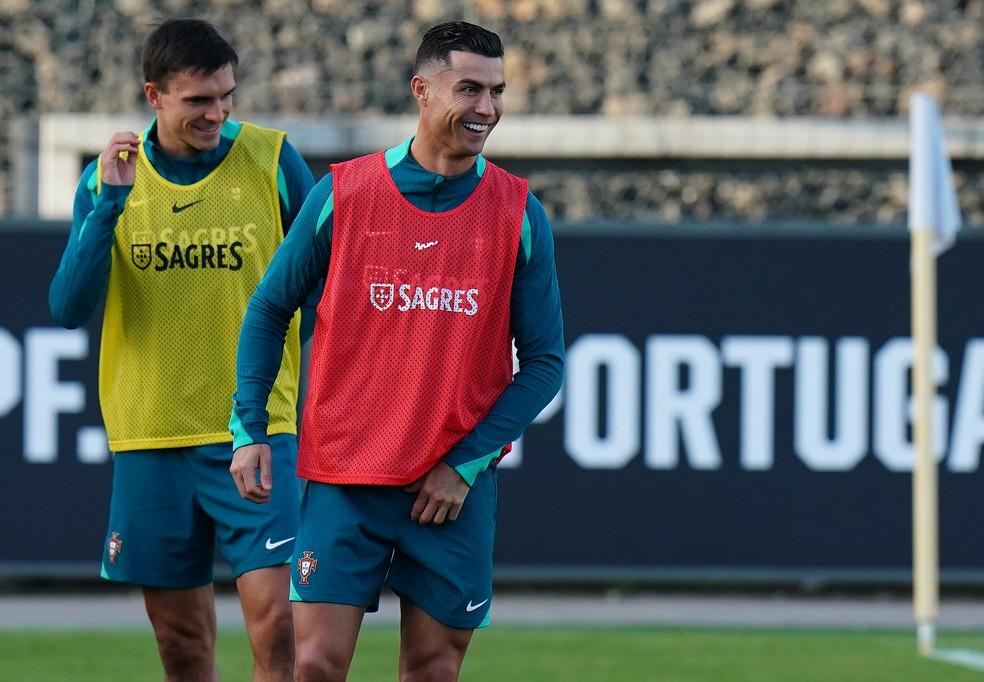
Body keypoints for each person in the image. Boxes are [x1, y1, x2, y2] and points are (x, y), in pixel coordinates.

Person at [229, 20, 565, 682]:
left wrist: (465, 464)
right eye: (470, 89)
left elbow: (546, 362)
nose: (487, 109)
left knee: (433, 670)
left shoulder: (518, 213)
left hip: (447, 493)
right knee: (316, 664)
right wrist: (250, 424)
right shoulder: (344, 194)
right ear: (422, 89)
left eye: (497, 92)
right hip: (343, 482)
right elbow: (268, 309)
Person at [49, 18, 315, 682]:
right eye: (199, 100)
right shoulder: (111, 178)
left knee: (280, 627)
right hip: (151, 438)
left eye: (226, 96)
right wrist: (107, 205)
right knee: (182, 645)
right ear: (154, 96)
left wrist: (284, 376)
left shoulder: (275, 161)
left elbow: (326, 289)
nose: (217, 113)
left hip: (255, 432)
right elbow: (68, 307)